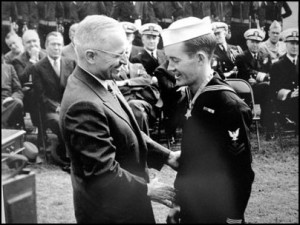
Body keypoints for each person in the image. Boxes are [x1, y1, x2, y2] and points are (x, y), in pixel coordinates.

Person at [59, 15, 180, 223]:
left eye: (125, 52)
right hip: (111, 214)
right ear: (90, 56)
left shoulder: (101, 78)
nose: (125, 61)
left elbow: (127, 129)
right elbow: (103, 173)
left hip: (126, 204)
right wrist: (147, 189)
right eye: (118, 55)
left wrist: (166, 156)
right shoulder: (82, 105)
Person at [161, 16, 255, 223]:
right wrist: (179, 202)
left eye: (175, 60)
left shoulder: (228, 105)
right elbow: (191, 158)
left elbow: (241, 172)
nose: (169, 67)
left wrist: (234, 218)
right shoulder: (188, 95)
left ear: (201, 58)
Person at [32, 31, 76, 169]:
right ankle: (68, 159)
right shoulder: (38, 67)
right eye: (53, 44)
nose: (57, 48)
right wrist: (57, 107)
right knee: (59, 122)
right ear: (46, 46)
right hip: (50, 110)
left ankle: (80, 156)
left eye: (59, 44)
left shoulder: (70, 63)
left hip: (70, 105)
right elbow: (41, 95)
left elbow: (76, 87)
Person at [235, 28, 272, 133]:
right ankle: (268, 125)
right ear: (247, 42)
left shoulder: (265, 54)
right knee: (267, 88)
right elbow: (248, 72)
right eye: (252, 42)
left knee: (268, 90)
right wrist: (264, 78)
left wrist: (260, 79)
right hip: (247, 90)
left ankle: (268, 124)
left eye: (258, 42)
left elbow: (271, 71)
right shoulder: (241, 57)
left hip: (263, 88)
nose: (255, 45)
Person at [12, 29, 47, 128]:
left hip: (48, 90)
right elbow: (21, 78)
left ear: (39, 42)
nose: (32, 44)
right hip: (30, 94)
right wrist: (32, 60)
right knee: (35, 94)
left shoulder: (46, 55)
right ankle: (41, 130)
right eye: (28, 42)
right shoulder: (18, 60)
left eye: (34, 41)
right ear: (23, 44)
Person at [269, 28, 298, 129]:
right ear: (286, 44)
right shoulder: (277, 65)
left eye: (297, 43)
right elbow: (273, 90)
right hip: (285, 102)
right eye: (292, 43)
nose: (295, 46)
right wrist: (290, 93)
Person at [2, 56, 24, 129]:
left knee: (17, 102)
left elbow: (18, 90)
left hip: (7, 101)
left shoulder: (9, 68)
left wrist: (12, 97)